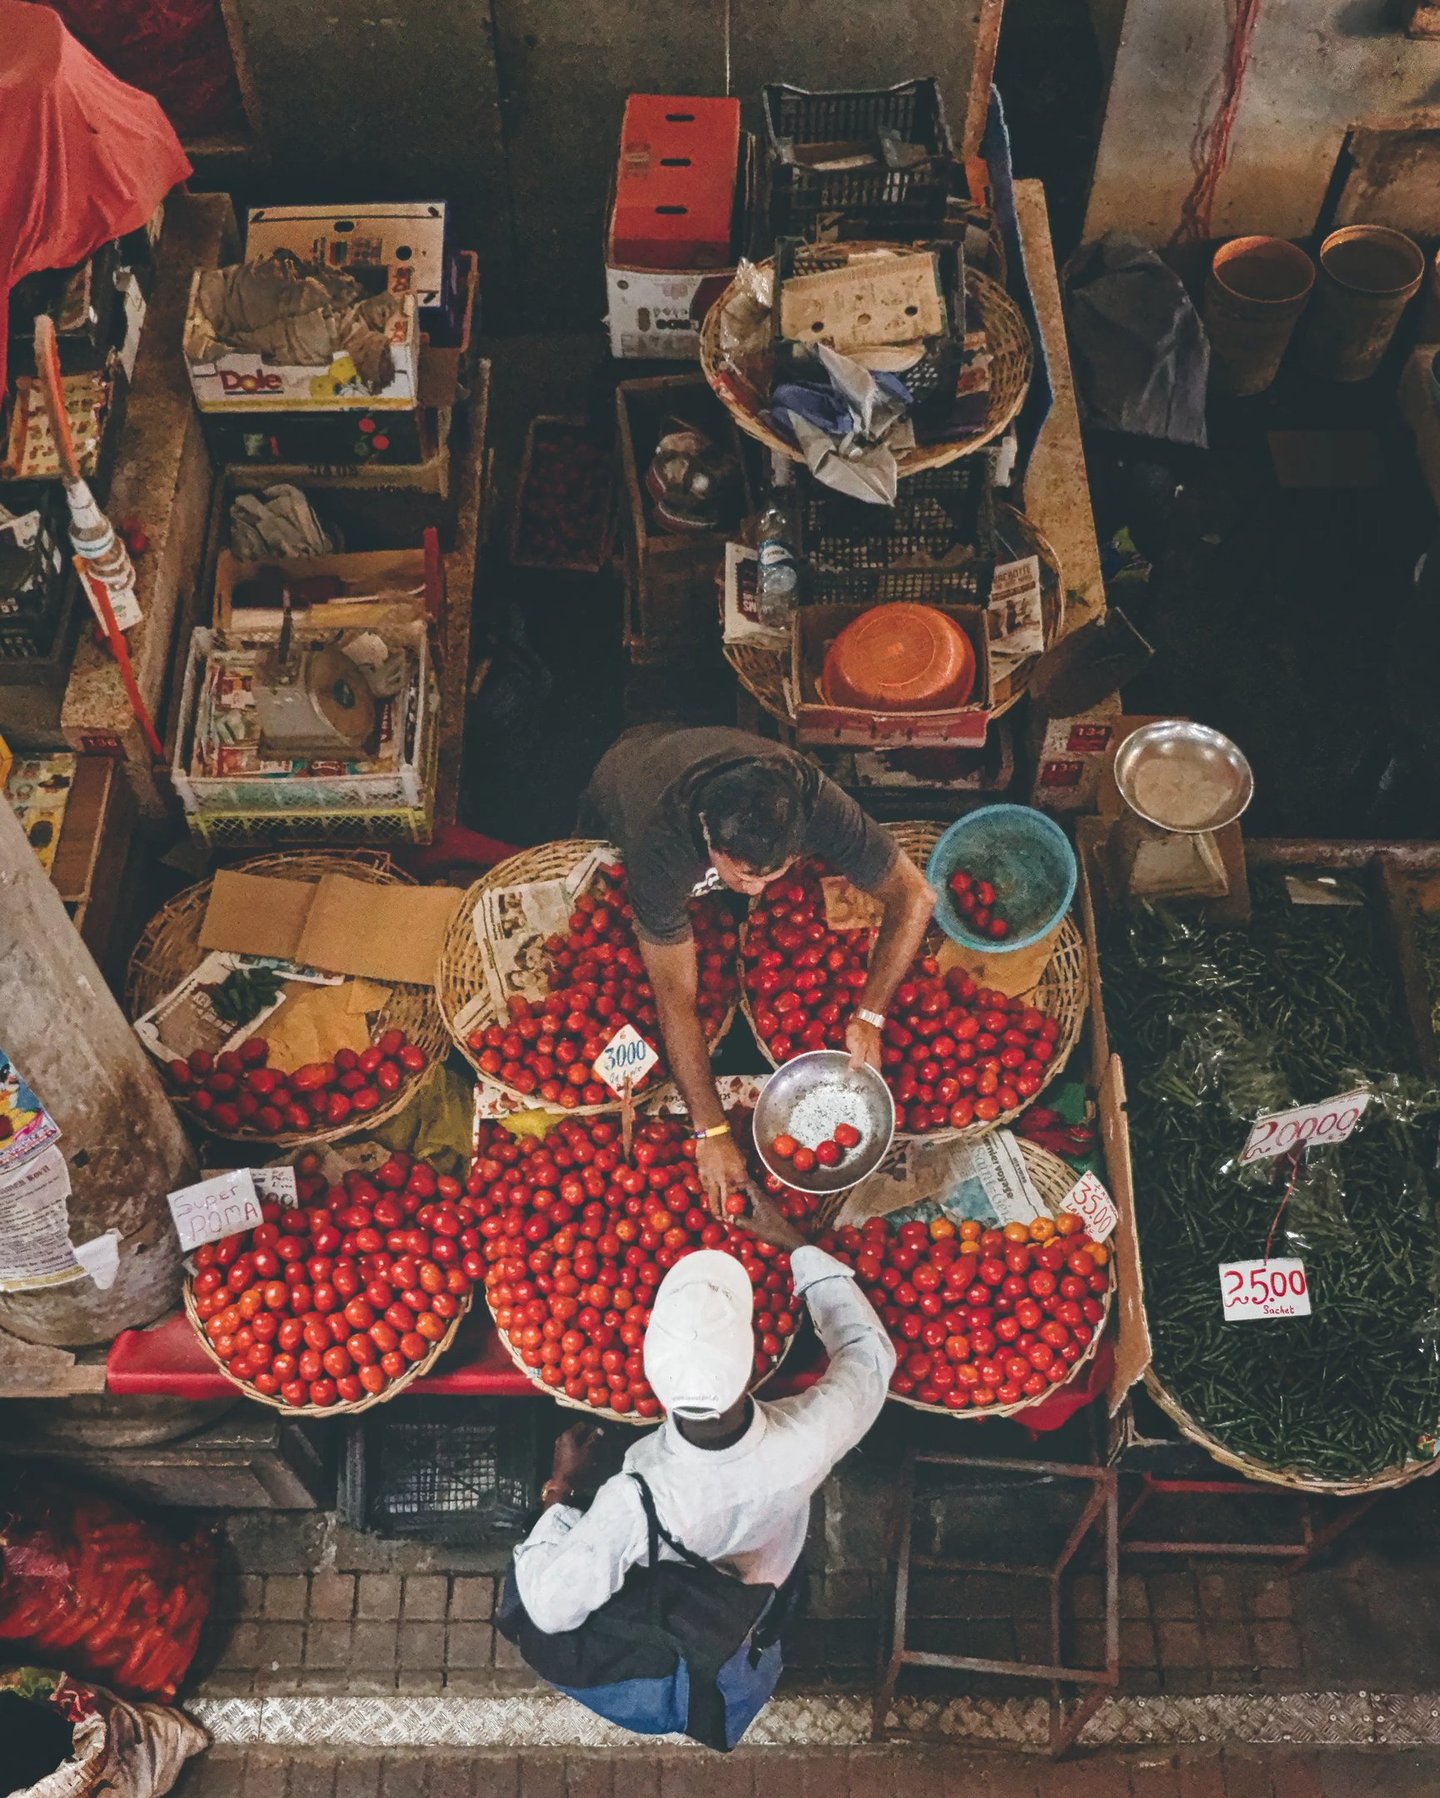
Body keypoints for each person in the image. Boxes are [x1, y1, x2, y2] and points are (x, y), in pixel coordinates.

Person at [579, 724, 934, 1210]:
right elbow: (674, 996)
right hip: (627, 777)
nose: (754, 892)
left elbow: (915, 895)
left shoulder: (810, 802)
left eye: (773, 874)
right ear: (708, 834)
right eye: (742, 876)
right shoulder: (660, 849)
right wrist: (713, 1129)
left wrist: (871, 1014)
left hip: (707, 750)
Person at [510, 1199, 896, 1641]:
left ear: (653, 1381)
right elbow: (870, 1354)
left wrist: (559, 1489)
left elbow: (550, 1609)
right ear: (754, 1368)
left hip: (687, 1591)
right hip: (771, 1566)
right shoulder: (814, 1433)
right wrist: (795, 1245)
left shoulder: (632, 1504)